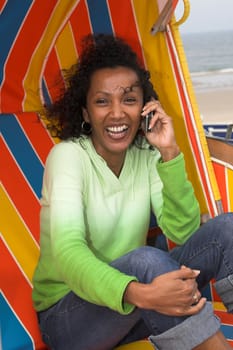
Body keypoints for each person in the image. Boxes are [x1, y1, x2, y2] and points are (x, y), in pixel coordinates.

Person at [32, 34, 233, 350]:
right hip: (71, 318)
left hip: (136, 306)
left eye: (128, 99)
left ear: (144, 106)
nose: (116, 113)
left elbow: (183, 231)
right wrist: (140, 292)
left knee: (227, 228)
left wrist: (169, 153)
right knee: (146, 260)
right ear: (85, 112)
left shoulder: (147, 154)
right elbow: (69, 253)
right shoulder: (68, 157)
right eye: (102, 101)